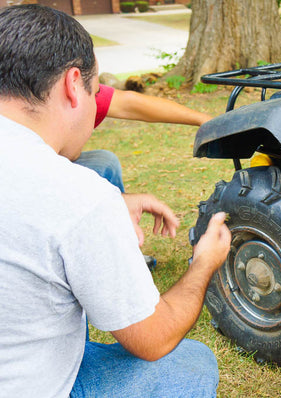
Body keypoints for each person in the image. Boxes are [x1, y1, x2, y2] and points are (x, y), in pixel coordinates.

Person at [0, 4, 231, 398]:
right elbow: (153, 340)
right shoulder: (76, 195)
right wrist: (204, 262)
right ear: (75, 85)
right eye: (94, 92)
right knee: (190, 365)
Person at [77, 83, 213, 193]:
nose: (97, 91)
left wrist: (204, 120)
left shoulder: (82, 94)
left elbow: (128, 104)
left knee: (105, 162)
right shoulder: (78, 96)